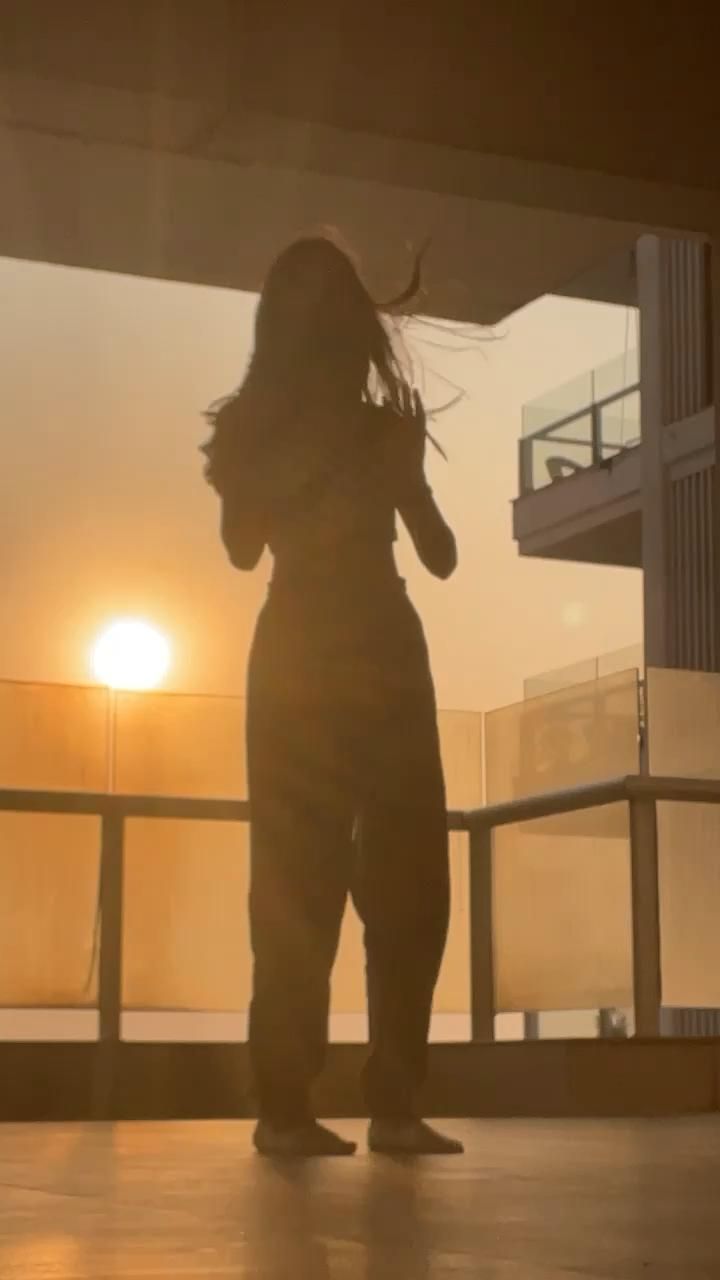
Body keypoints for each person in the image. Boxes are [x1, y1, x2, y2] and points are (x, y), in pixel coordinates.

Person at [202, 237, 463, 1157]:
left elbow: (438, 553)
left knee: (409, 887)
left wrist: (409, 480)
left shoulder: (374, 428)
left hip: (374, 654)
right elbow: (243, 547)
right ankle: (288, 1107)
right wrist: (285, 465)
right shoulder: (256, 430)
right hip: (311, 655)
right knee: (297, 884)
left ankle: (384, 1103)